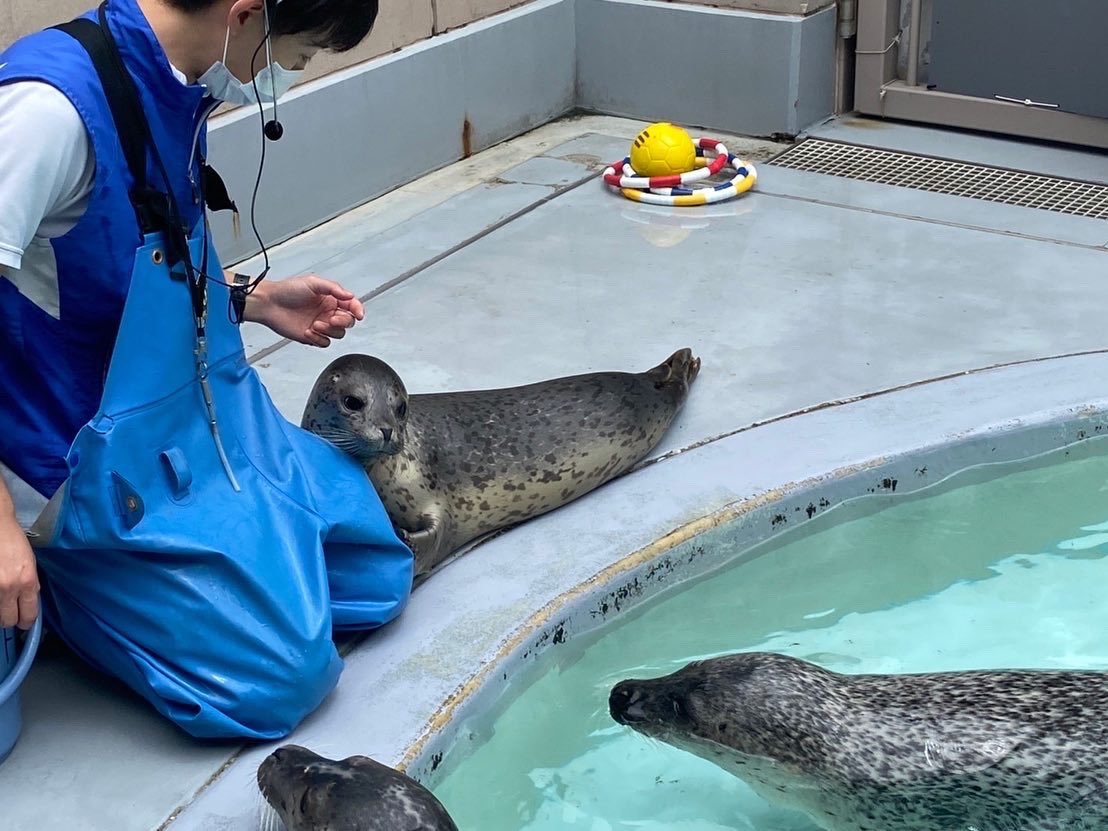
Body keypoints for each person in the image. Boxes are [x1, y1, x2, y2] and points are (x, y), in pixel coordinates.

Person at [0, 0, 414, 741]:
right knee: (282, 675)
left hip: (178, 422)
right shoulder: (46, 113)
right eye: (301, 53)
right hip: (83, 466)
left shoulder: (175, 84)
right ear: (247, 14)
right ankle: (62, 574)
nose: (288, 74)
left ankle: (198, 574)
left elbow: (119, 267)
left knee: (374, 568)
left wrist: (251, 301)